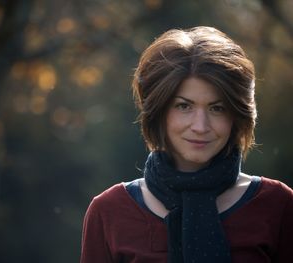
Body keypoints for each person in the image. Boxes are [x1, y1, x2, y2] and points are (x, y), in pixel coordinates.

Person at [80, 26, 293, 263]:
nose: (200, 126)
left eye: (217, 108)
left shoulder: (277, 205)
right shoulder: (110, 211)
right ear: (159, 111)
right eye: (184, 106)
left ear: (237, 116)